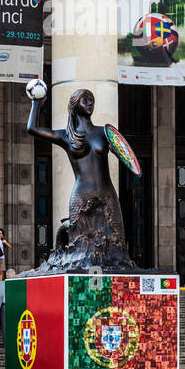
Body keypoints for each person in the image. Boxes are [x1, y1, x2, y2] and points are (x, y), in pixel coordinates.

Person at [24, 85, 140, 273]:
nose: (90, 103)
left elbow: (127, 155)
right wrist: (37, 102)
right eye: (85, 100)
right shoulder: (66, 136)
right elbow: (33, 129)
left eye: (92, 99)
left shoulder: (105, 132)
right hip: (82, 196)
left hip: (107, 195)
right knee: (80, 249)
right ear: (74, 105)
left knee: (116, 246)